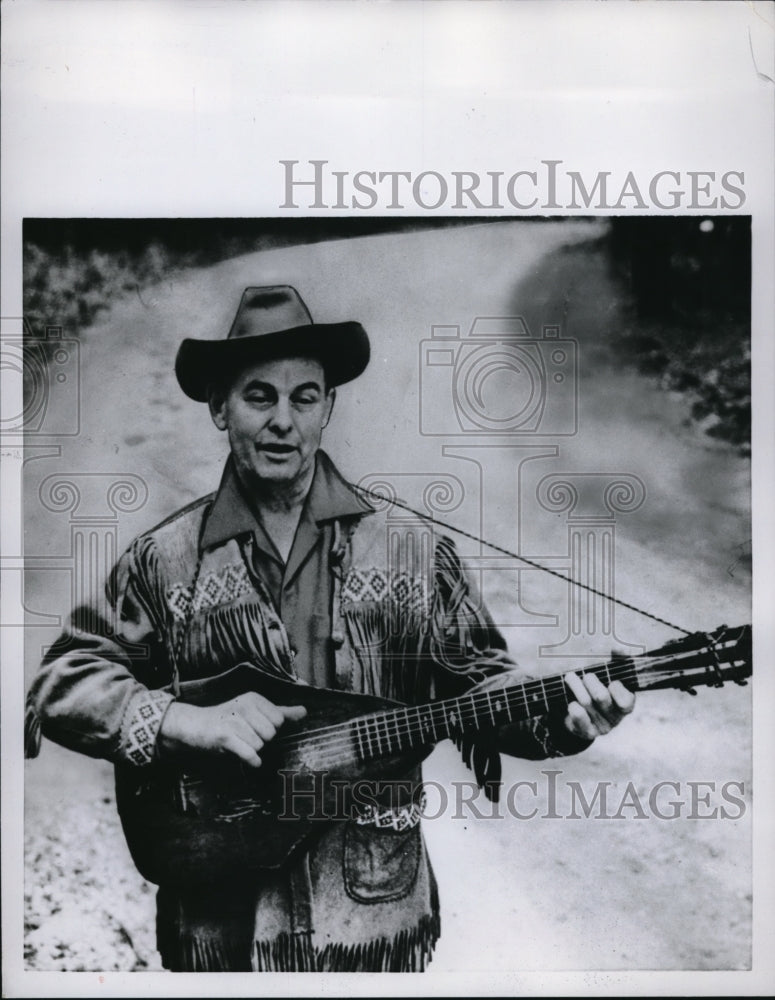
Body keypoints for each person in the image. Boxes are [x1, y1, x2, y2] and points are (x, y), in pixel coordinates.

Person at [25, 285, 635, 972]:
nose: (283, 421)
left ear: (328, 407)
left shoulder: (410, 550)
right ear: (219, 408)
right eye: (259, 397)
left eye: (304, 397)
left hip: (368, 913)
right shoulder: (164, 560)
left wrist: (563, 722)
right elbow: (62, 681)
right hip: (222, 920)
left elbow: (484, 684)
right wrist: (184, 722)